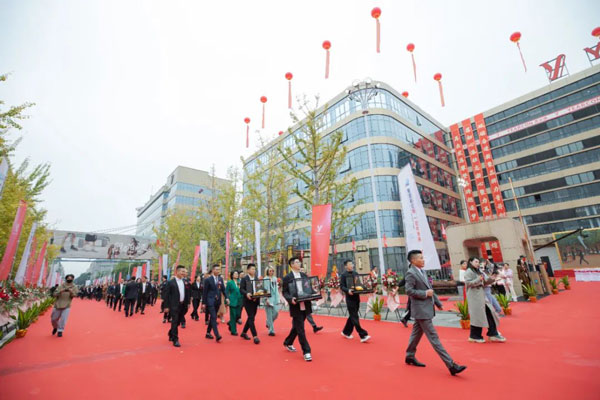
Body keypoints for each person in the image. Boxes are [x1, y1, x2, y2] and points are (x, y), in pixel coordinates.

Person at [404, 250, 466, 376]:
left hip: (425, 309)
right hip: (421, 310)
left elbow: (430, 289)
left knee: (416, 334)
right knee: (434, 337)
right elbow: (409, 291)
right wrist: (425, 294)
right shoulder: (411, 273)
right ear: (413, 261)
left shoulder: (422, 272)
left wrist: (438, 302)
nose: (423, 260)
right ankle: (451, 365)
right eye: (421, 258)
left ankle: (410, 355)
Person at [464, 257, 506, 344]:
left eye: (478, 262)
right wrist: (479, 279)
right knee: (478, 317)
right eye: (476, 261)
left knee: (488, 314)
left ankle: (491, 333)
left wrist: (492, 278)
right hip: (475, 297)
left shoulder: (478, 271)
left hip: (481, 296)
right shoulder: (469, 271)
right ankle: (477, 336)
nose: (477, 263)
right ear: (470, 262)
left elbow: (485, 282)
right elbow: (468, 283)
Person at [282, 257, 313, 362]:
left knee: (297, 327)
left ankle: (288, 342)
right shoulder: (287, 277)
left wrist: (315, 293)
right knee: (300, 329)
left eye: (299, 262)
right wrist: (290, 299)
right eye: (297, 262)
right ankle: (306, 351)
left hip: (305, 304)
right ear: (292, 265)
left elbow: (308, 288)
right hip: (295, 305)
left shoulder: (304, 276)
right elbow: (285, 292)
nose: (299, 263)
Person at [340, 260, 370, 342]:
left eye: (352, 264)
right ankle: (363, 335)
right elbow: (342, 286)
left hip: (356, 297)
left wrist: (367, 289)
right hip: (349, 298)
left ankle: (346, 332)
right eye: (350, 264)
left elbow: (358, 284)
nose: (352, 265)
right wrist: (348, 290)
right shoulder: (343, 275)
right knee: (355, 316)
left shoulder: (355, 273)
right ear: (346, 266)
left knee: (353, 316)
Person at [163, 265, 191, 347]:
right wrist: (166, 306)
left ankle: (170, 333)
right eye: (182, 271)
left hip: (183, 305)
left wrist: (188, 302)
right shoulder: (170, 282)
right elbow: (166, 295)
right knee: (175, 321)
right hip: (174, 305)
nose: (184, 273)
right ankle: (175, 339)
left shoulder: (185, 282)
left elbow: (187, 293)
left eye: (184, 272)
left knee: (178, 321)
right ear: (177, 272)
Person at [202, 265, 229, 342]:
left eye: (219, 269)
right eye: (216, 269)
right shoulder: (208, 280)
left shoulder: (220, 279)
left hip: (218, 301)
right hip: (210, 300)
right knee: (214, 316)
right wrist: (203, 303)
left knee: (213, 317)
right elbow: (205, 292)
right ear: (213, 270)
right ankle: (217, 335)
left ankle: (208, 333)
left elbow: (223, 289)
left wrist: (227, 298)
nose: (218, 271)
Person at [240, 263, 261, 344]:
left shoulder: (256, 278)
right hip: (248, 301)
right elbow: (241, 289)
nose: (254, 270)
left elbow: (259, 288)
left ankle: (244, 332)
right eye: (252, 269)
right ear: (248, 270)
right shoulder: (244, 279)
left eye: (254, 269)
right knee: (251, 317)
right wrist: (246, 294)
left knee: (251, 318)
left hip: (255, 301)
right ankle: (255, 336)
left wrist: (259, 294)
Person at [300, 267, 323, 333]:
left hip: (307, 299)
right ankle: (297, 327)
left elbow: (311, 289)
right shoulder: (297, 280)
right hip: (300, 300)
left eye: (303, 270)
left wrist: (316, 295)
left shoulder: (308, 280)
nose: (302, 271)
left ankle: (314, 327)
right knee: (302, 315)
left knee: (307, 314)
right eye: (301, 270)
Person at [264, 266, 279, 337]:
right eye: (270, 271)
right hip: (268, 298)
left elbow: (276, 289)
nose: (271, 272)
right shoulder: (265, 279)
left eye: (272, 271)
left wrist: (278, 298)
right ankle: (271, 330)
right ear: (267, 271)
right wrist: (266, 299)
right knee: (269, 315)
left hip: (274, 297)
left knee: (276, 313)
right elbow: (265, 289)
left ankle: (268, 322)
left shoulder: (275, 278)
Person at [226, 270, 242, 336]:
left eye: (237, 274)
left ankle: (230, 323)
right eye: (235, 274)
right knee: (233, 315)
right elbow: (226, 291)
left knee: (238, 315)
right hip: (232, 300)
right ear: (232, 275)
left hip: (239, 300)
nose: (236, 275)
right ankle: (233, 331)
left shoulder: (240, 282)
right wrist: (227, 299)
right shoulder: (230, 282)